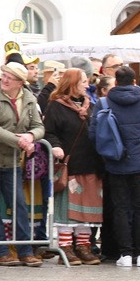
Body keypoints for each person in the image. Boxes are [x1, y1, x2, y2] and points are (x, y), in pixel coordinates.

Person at [0, 61, 45, 267]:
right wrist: (21, 141)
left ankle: (25, 250)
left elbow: (39, 126)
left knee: (19, 204)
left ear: (20, 82)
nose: (5, 80)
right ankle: (0, 251)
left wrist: (30, 135)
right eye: (4, 75)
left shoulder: (29, 98)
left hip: (13, 159)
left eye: (10, 77)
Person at [96, 65, 140, 267]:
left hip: (114, 161)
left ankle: (124, 254)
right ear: (134, 81)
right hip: (139, 161)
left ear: (115, 82)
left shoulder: (104, 102)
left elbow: (93, 132)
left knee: (120, 208)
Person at [43, 68, 102, 265]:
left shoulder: (90, 105)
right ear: (72, 83)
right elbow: (49, 132)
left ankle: (83, 246)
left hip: (90, 164)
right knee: (67, 210)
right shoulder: (56, 106)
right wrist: (56, 146)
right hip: (69, 165)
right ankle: (66, 246)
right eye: (83, 81)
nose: (87, 85)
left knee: (86, 209)